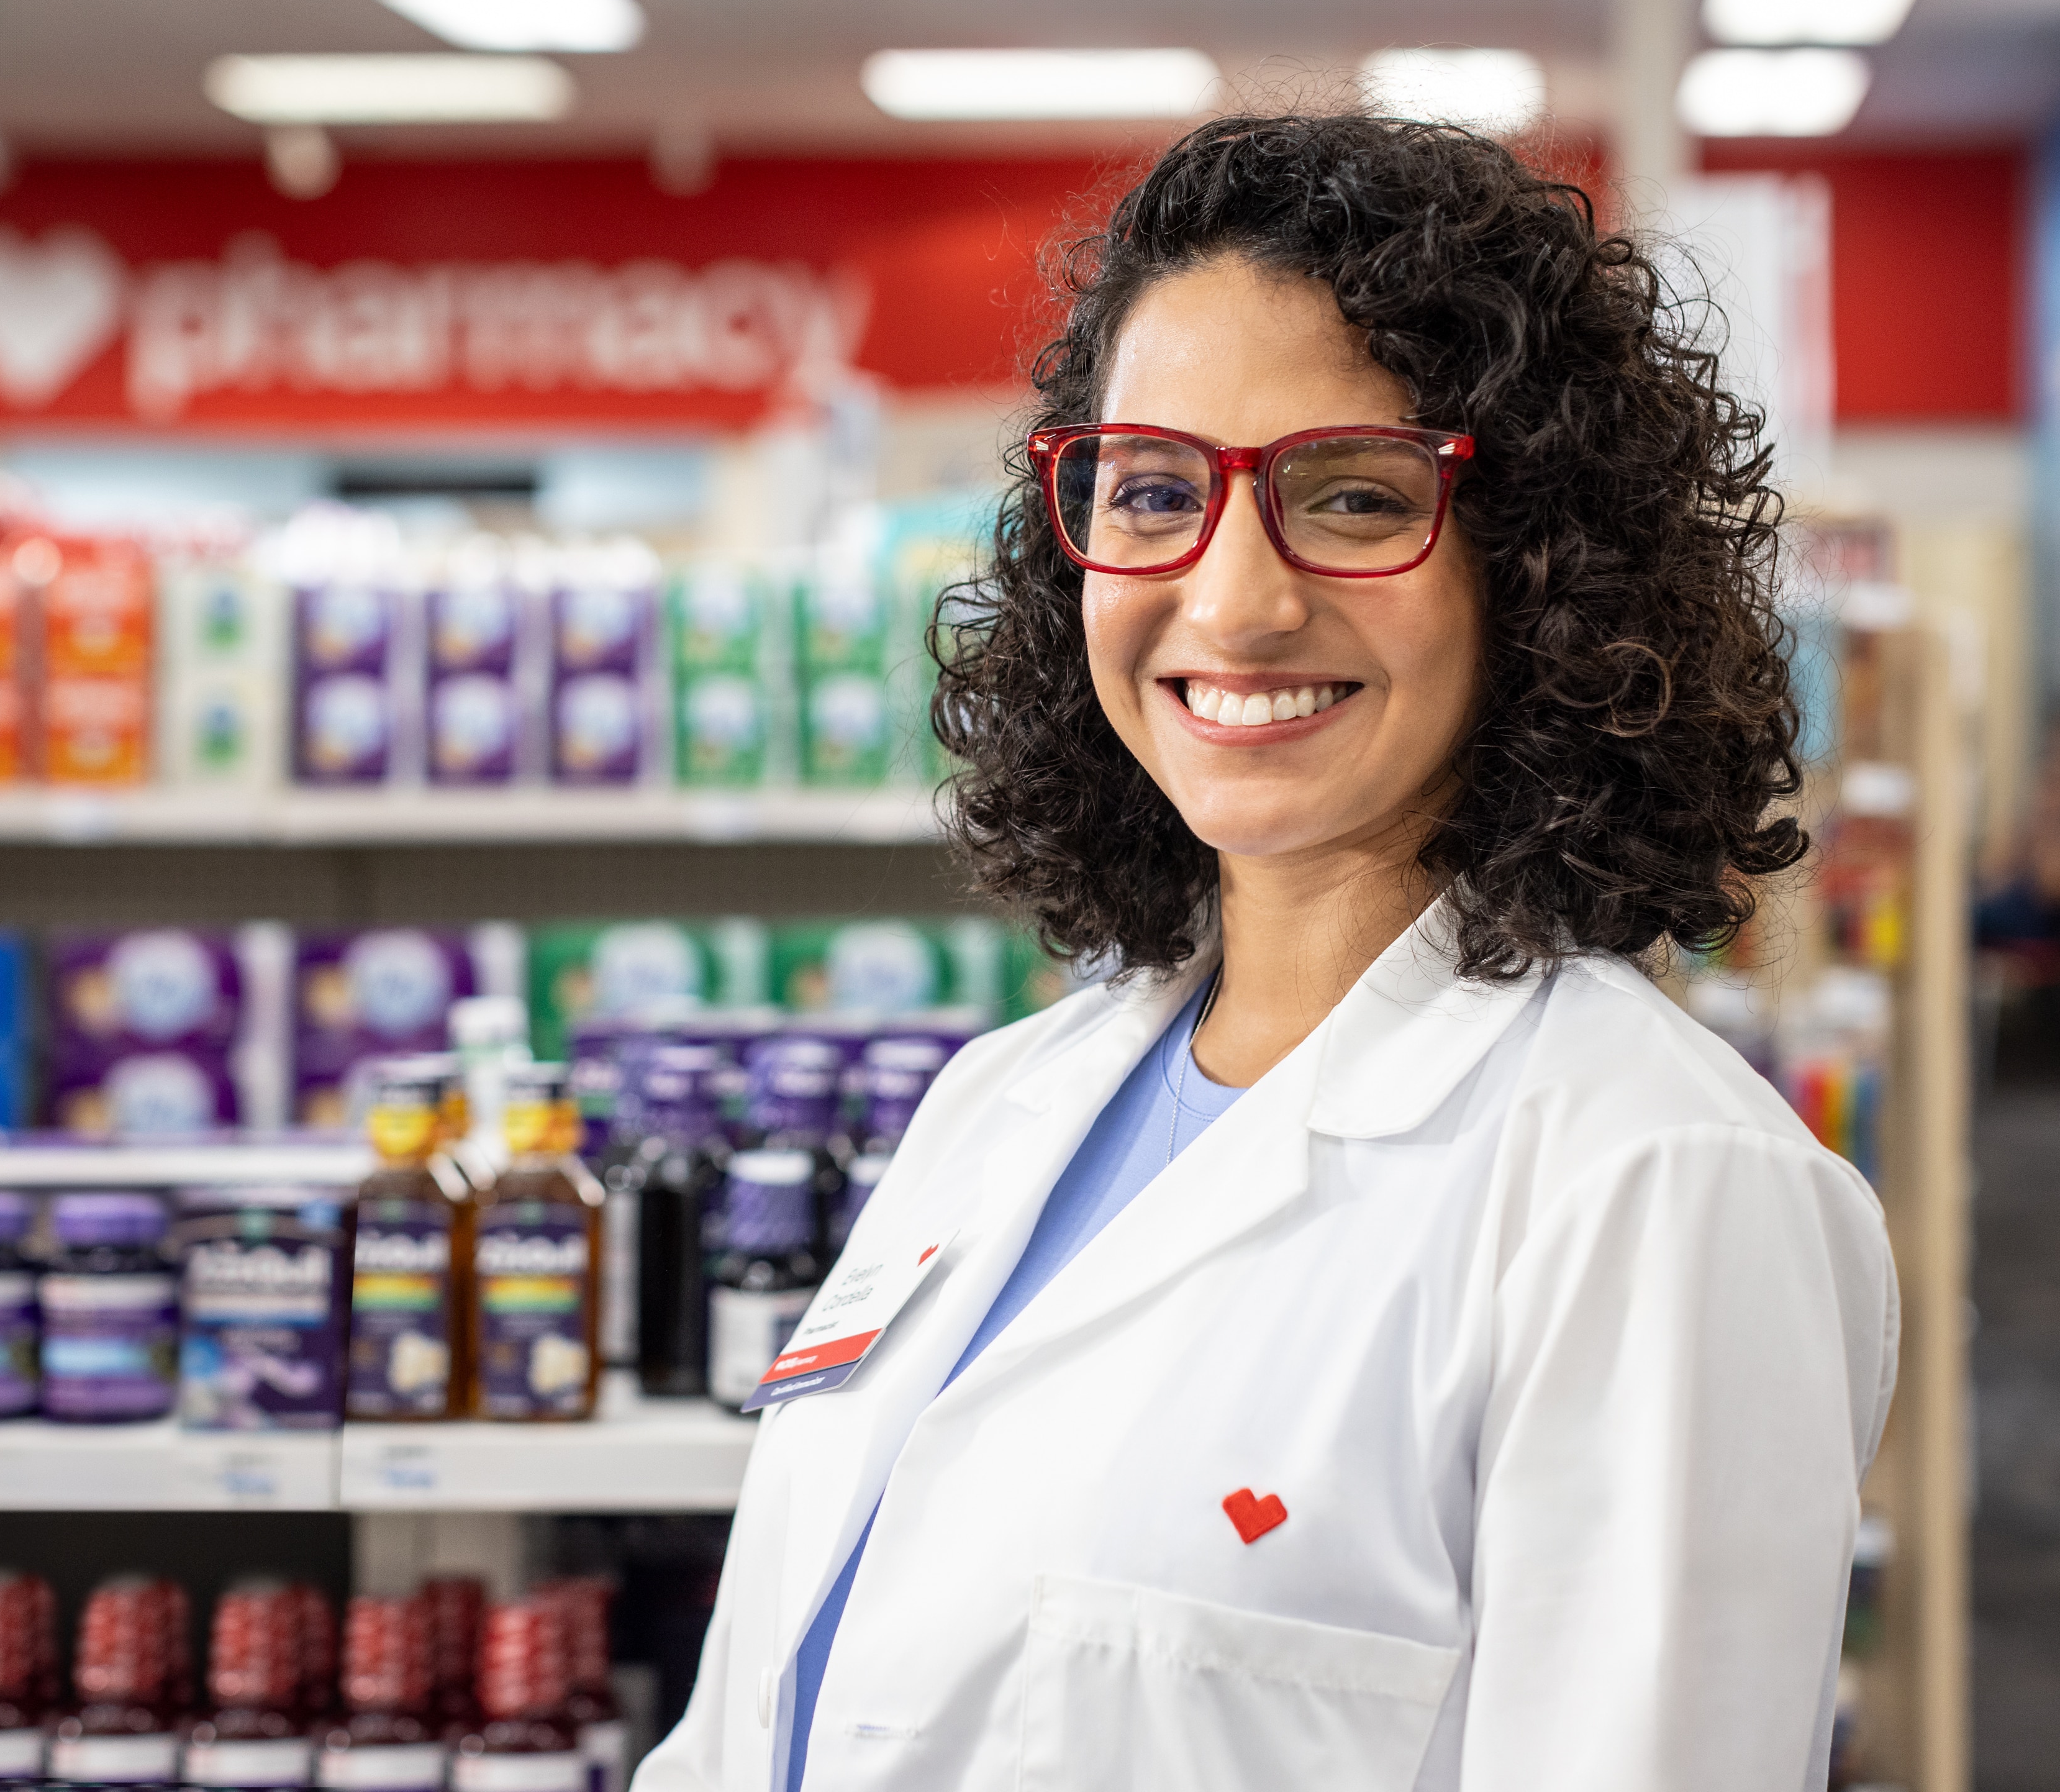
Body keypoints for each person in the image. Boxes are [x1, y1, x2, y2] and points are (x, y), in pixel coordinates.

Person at [635, 116, 1896, 1792]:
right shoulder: (996, 1108)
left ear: (1537, 573)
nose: (1231, 604)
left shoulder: (1649, 1181)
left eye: (1354, 497)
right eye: (1154, 489)